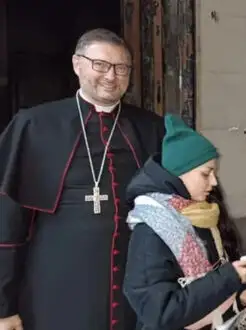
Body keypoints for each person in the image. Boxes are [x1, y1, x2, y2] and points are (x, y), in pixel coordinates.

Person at [0, 28, 165, 330]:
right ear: (77, 64)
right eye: (100, 65)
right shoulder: (34, 125)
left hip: (134, 284)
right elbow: (7, 224)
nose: (111, 76)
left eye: (121, 68)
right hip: (57, 288)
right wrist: (3, 307)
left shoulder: (151, 127)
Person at [123, 115, 246, 330]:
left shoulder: (201, 213)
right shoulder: (151, 229)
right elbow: (161, 312)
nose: (214, 183)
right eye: (206, 174)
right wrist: (230, 277)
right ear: (179, 174)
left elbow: (206, 288)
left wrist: (238, 297)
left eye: (214, 173)